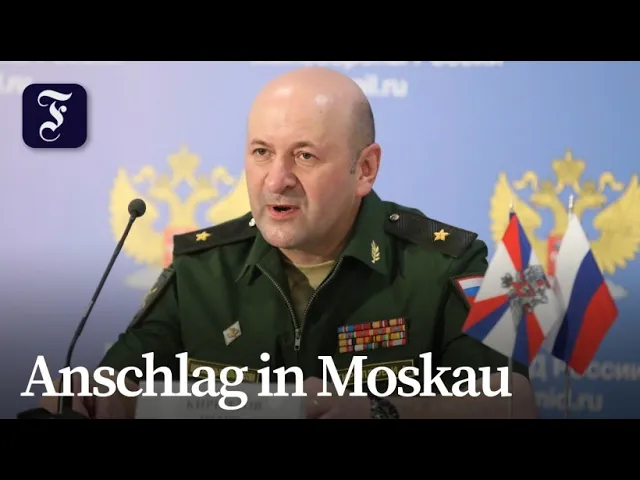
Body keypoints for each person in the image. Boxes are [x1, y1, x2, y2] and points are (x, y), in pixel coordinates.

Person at [41, 66, 536, 419]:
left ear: (364, 169)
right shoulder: (203, 268)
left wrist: (379, 409)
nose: (276, 180)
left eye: (304, 156)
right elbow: (117, 383)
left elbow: (511, 401)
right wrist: (87, 394)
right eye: (261, 152)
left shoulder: (443, 263)